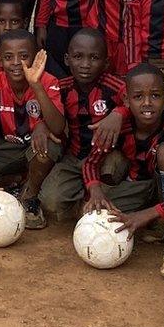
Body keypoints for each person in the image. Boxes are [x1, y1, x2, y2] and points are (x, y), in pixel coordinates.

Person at [81, 63, 164, 278]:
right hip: (136, 187)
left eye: (155, 96)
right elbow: (90, 163)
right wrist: (95, 190)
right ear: (126, 101)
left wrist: (148, 214)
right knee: (94, 214)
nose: (147, 103)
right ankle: (153, 224)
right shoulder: (118, 125)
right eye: (138, 97)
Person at [0, 30, 64, 229]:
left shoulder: (48, 81)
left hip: (36, 146)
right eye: (8, 57)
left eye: (24, 56)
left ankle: (29, 196)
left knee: (45, 146)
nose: (16, 62)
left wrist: (36, 85)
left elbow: (58, 128)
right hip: (10, 146)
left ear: (36, 56)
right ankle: (17, 182)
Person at [39, 29, 124, 221]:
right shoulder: (62, 87)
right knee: (50, 202)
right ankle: (84, 204)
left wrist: (120, 112)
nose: (85, 65)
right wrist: (41, 124)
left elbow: (136, 102)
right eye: (78, 57)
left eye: (94, 58)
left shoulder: (115, 87)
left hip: (106, 156)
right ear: (67, 60)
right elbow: (46, 108)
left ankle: (96, 197)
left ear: (106, 63)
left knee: (115, 164)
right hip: (74, 157)